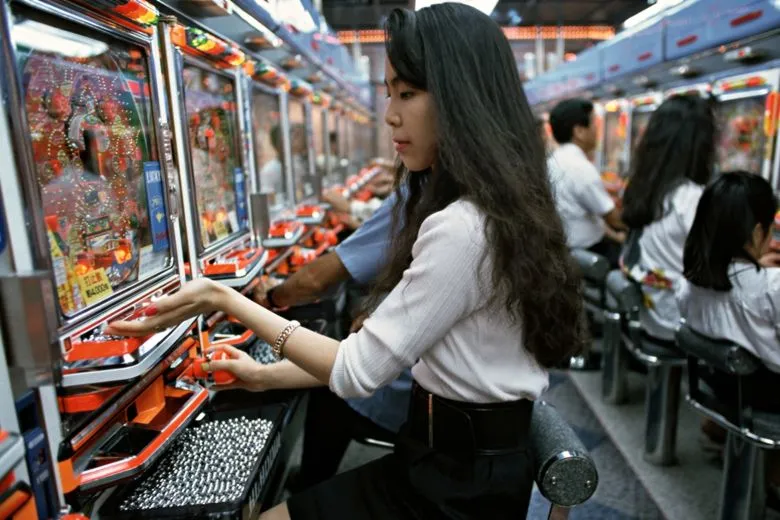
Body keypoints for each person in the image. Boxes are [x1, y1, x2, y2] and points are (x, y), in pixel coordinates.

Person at [106, 4, 585, 519]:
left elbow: (359, 371)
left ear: (460, 99)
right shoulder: (495, 209)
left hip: (453, 487)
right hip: (458, 463)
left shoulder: (463, 228)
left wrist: (223, 298)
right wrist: (267, 377)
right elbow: (391, 355)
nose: (391, 114)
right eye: (389, 94)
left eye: (408, 93)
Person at [254, 184, 413, 491]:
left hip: (423, 406)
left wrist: (270, 300)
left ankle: (309, 486)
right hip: (455, 407)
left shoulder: (431, 202)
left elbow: (316, 281)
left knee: (332, 387)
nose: (394, 134)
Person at [677, 171, 780, 495]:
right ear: (758, 231)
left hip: (721, 384)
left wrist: (755, 265)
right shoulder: (769, 288)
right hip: (768, 392)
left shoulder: (689, 281)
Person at [620, 94, 715, 341]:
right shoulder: (691, 198)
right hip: (678, 318)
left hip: (652, 309)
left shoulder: (646, 186)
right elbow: (717, 267)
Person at [548, 98, 626, 266]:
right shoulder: (580, 167)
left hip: (568, 250)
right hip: (592, 252)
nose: (597, 129)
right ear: (579, 131)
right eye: (593, 123)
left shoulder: (553, 160)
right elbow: (614, 219)